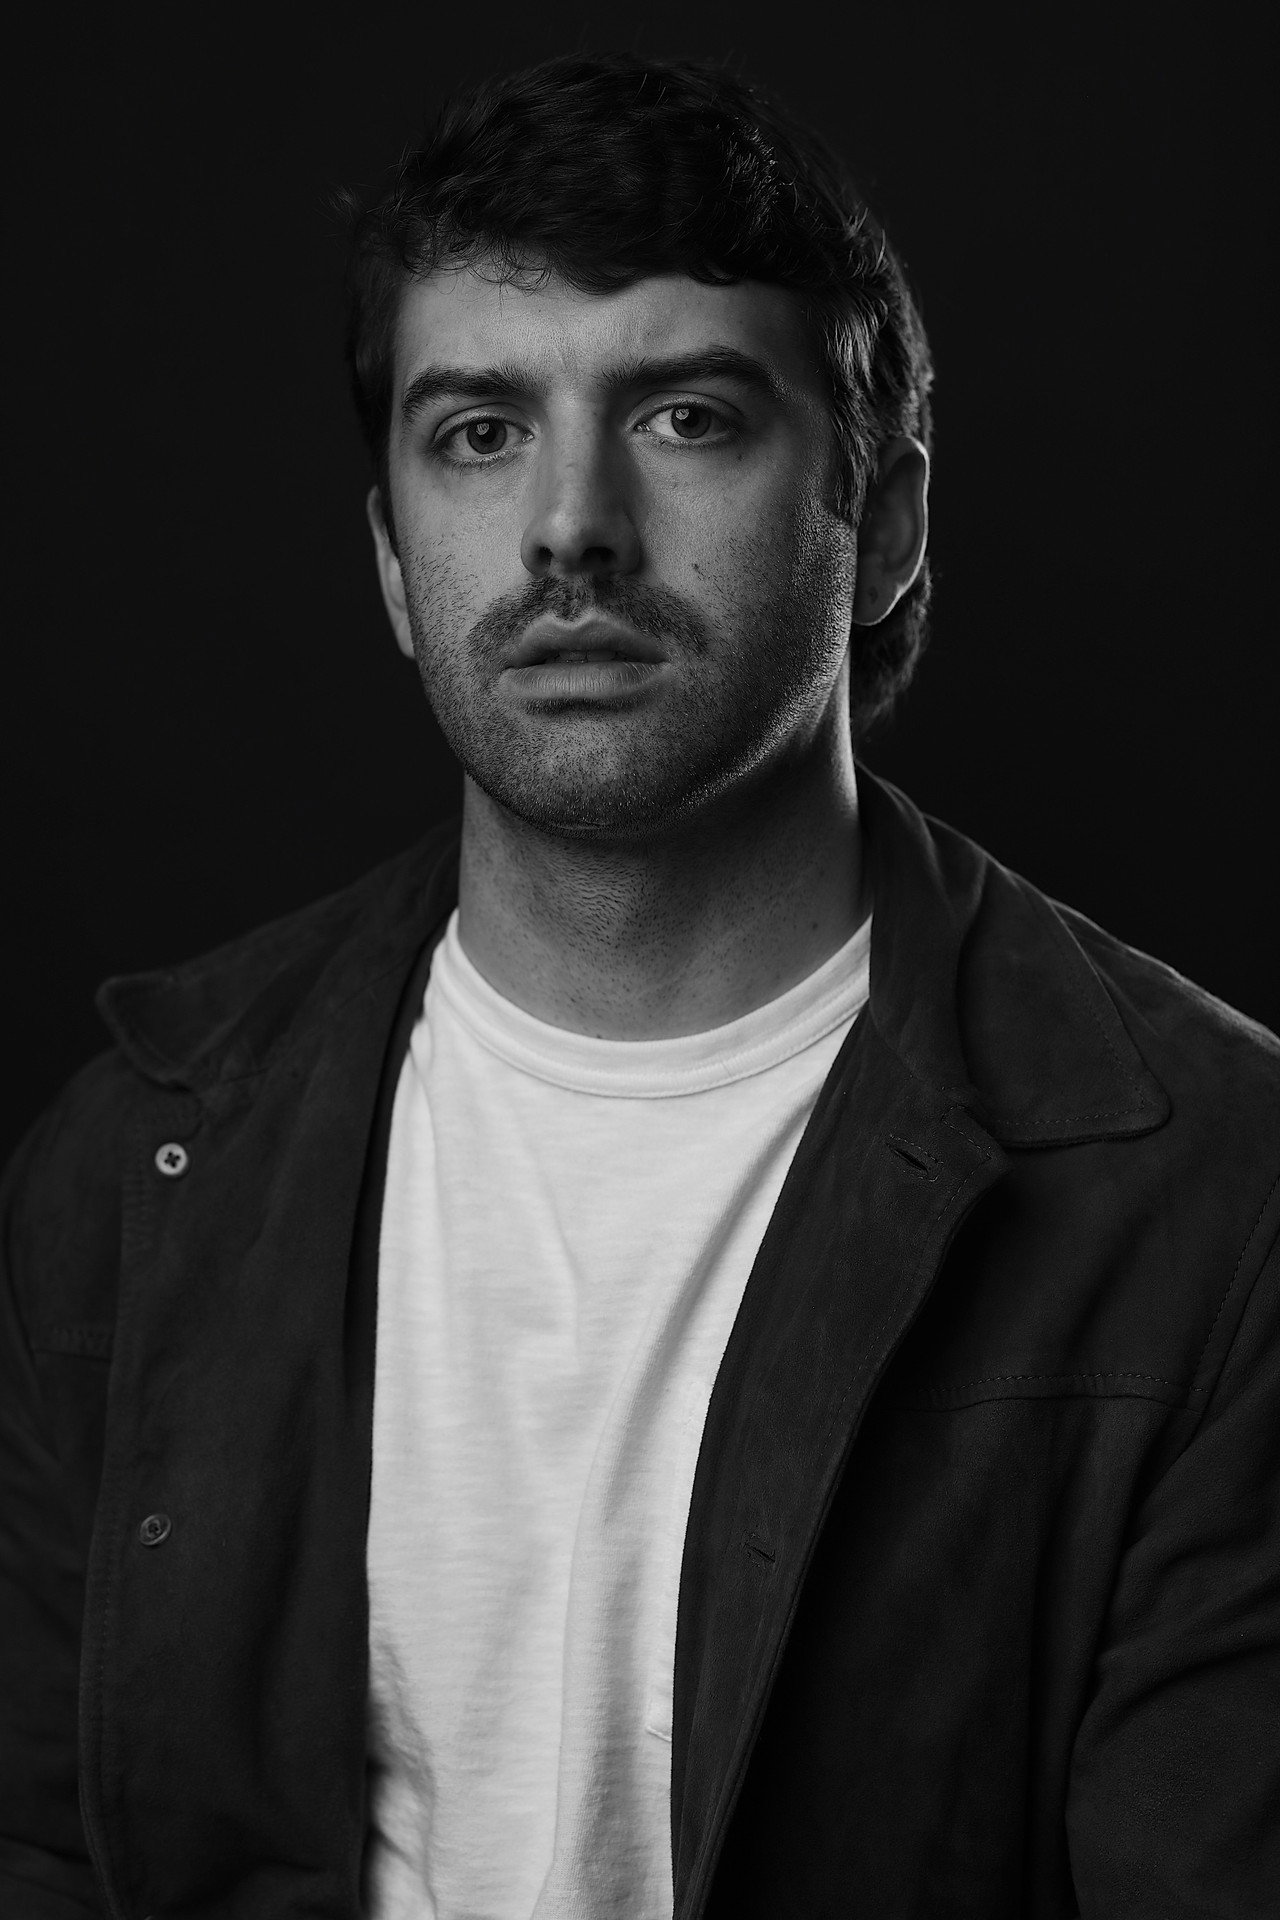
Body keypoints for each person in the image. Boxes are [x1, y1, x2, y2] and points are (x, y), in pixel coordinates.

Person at [1, 48, 1276, 1920]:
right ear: (391, 558)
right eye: (478, 431)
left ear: (884, 525)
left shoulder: (1216, 1198)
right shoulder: (137, 1166)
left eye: (686, 416)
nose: (569, 526)